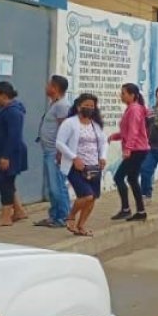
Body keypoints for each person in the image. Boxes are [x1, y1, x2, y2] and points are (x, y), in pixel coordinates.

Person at [57, 93, 106, 237]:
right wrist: (74, 158)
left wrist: (102, 157)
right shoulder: (70, 123)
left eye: (92, 106)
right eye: (86, 105)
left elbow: (103, 143)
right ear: (78, 107)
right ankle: (71, 216)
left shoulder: (95, 125)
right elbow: (59, 143)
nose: (90, 108)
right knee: (86, 196)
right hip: (76, 167)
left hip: (94, 167)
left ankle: (81, 225)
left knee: (93, 198)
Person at [0, 81, 28, 227]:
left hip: (9, 154)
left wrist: (6, 156)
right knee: (8, 181)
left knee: (4, 182)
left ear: (2, 95)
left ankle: (5, 217)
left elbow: (13, 136)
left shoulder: (13, 112)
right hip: (2, 152)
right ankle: (19, 210)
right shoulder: (4, 109)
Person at [34, 75, 72, 228]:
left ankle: (63, 217)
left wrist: (60, 151)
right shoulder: (55, 104)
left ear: (55, 88)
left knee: (57, 186)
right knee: (52, 186)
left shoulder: (62, 106)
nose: (46, 87)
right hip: (49, 151)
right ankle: (54, 215)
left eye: (48, 84)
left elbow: (65, 129)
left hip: (55, 153)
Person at [108, 83, 150, 222]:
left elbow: (133, 132)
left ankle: (127, 209)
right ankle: (140, 211)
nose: (121, 95)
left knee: (119, 177)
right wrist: (115, 136)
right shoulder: (132, 109)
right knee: (132, 179)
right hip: (138, 149)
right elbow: (128, 131)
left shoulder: (134, 109)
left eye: (124, 93)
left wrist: (128, 149)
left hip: (136, 150)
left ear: (132, 95)